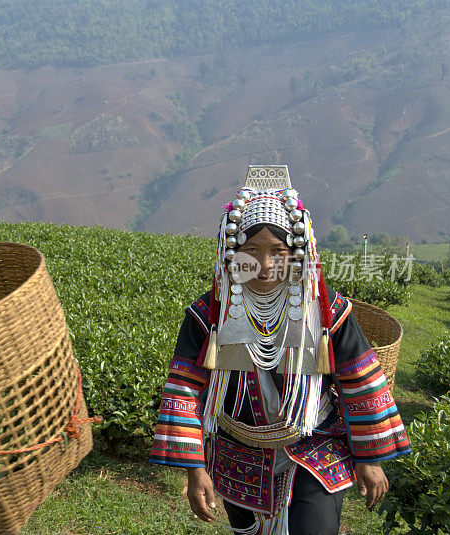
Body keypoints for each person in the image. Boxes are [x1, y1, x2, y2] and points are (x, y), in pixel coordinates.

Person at [150, 165, 410, 534]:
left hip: (315, 444)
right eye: (251, 250)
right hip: (238, 450)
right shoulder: (208, 316)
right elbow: (184, 391)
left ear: (299, 253)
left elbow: (360, 380)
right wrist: (195, 470)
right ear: (231, 253)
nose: (265, 264)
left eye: (278, 251)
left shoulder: (327, 313)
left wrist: (370, 458)